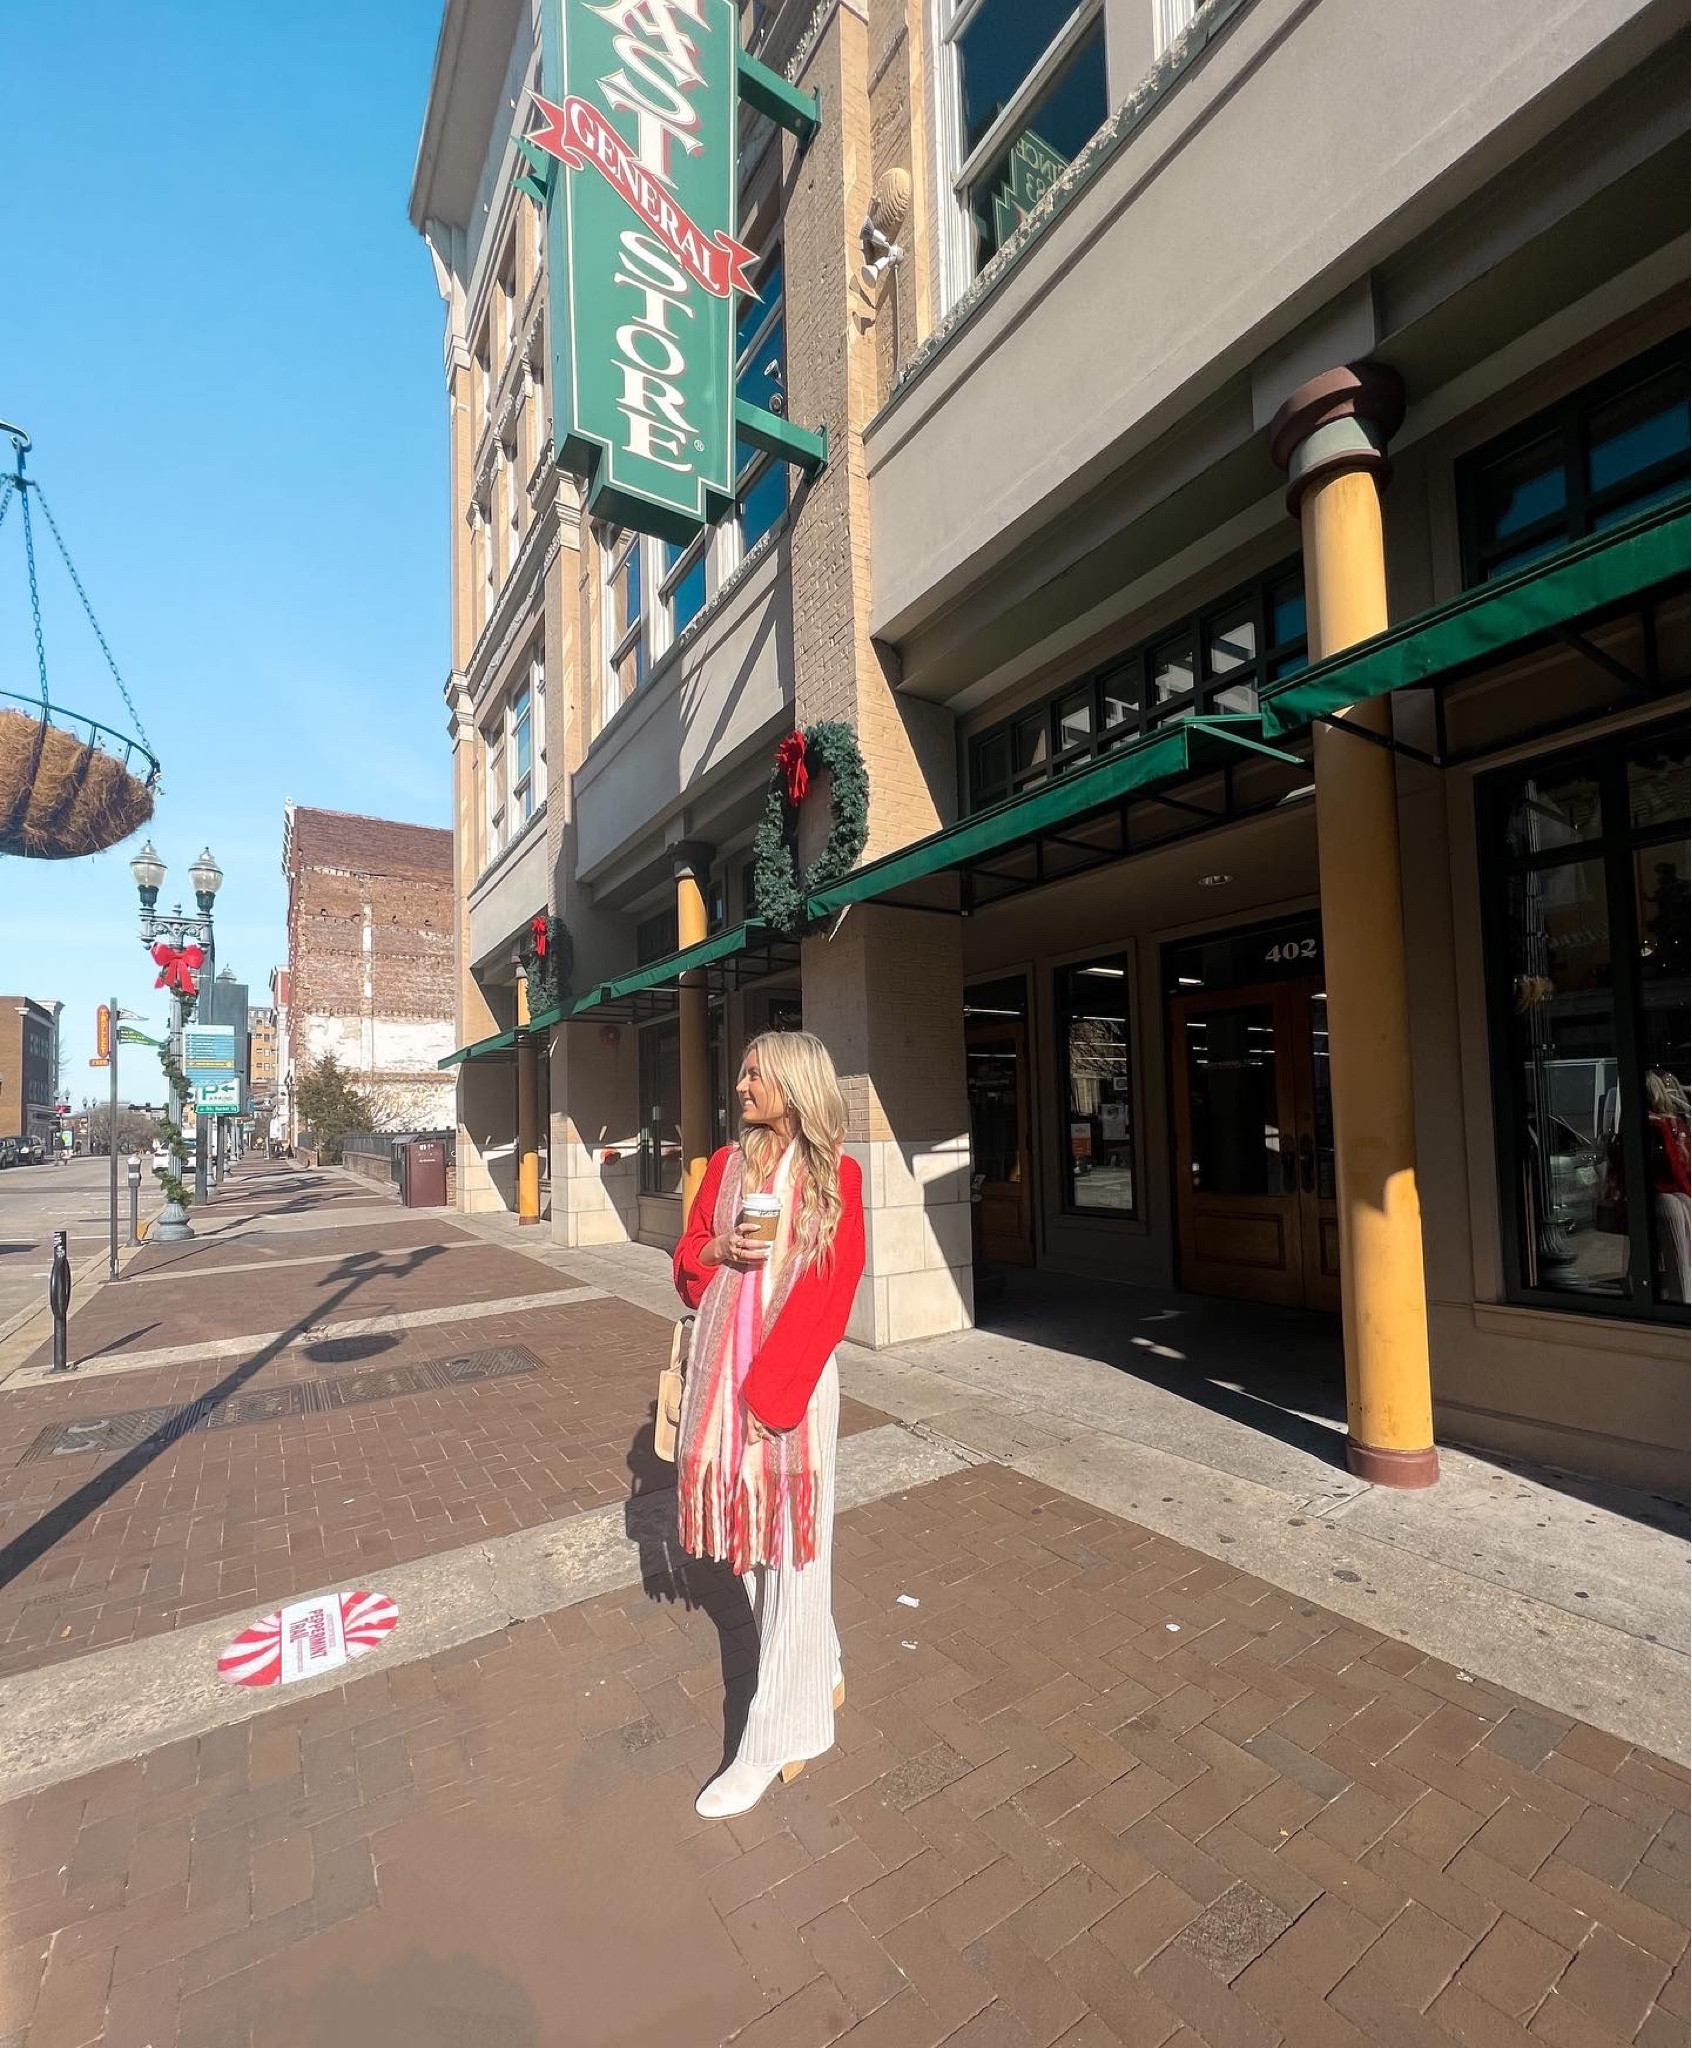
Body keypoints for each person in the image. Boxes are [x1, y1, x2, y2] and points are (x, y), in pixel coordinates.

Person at [673, 1030, 865, 1819]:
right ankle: (818, 1664)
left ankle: (774, 1739)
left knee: (793, 1556)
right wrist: (717, 1247)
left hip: (787, 1396)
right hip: (718, 1390)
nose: (743, 1083)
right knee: (749, 1552)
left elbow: (832, 1292)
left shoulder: (835, 1176)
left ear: (794, 1084)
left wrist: (769, 1404)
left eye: (757, 1073)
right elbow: (686, 1267)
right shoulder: (724, 1166)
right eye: (743, 1070)